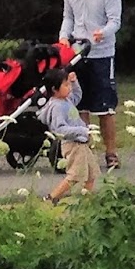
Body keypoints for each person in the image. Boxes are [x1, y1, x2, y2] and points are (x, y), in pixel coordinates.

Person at [59, 0, 123, 171]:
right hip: (78, 53)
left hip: (102, 53)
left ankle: (111, 153)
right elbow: (68, 17)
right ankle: (85, 152)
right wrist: (64, 37)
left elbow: (115, 21)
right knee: (80, 105)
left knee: (105, 107)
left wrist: (102, 32)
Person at [38, 68, 95, 206]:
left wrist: (74, 82)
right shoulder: (57, 106)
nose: (69, 88)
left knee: (91, 174)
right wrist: (81, 130)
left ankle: (86, 202)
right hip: (73, 144)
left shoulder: (66, 100)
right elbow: (60, 129)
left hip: (81, 142)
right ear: (54, 89)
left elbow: (77, 96)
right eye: (65, 85)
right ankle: (52, 197)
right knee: (75, 175)